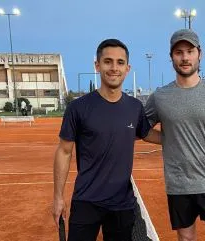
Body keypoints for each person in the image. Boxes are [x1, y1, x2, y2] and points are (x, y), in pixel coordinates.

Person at [52, 39, 156, 241]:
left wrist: (177, 136)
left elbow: (146, 133)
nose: (114, 68)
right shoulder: (78, 108)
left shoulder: (135, 107)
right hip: (86, 201)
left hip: (121, 204)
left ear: (127, 68)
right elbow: (64, 151)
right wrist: (58, 197)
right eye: (108, 61)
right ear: (97, 65)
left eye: (120, 62)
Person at [145, 29, 205, 241]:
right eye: (179, 52)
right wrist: (169, 138)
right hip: (178, 183)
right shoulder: (160, 97)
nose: (185, 57)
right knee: (186, 238)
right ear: (171, 56)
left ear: (200, 54)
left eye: (190, 51)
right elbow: (141, 130)